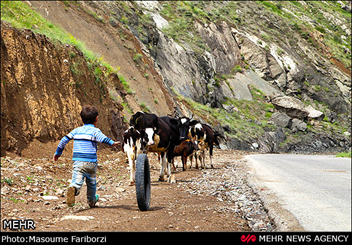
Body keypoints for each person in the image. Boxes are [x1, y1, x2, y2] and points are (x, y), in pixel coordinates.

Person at [53, 105, 120, 208]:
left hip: (78, 162)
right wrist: (112, 143)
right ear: (96, 118)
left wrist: (58, 153)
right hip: (91, 162)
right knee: (92, 183)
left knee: (77, 179)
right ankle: (91, 200)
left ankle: (74, 188)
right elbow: (103, 139)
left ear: (81, 119)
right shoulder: (95, 131)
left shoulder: (76, 130)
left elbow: (64, 140)